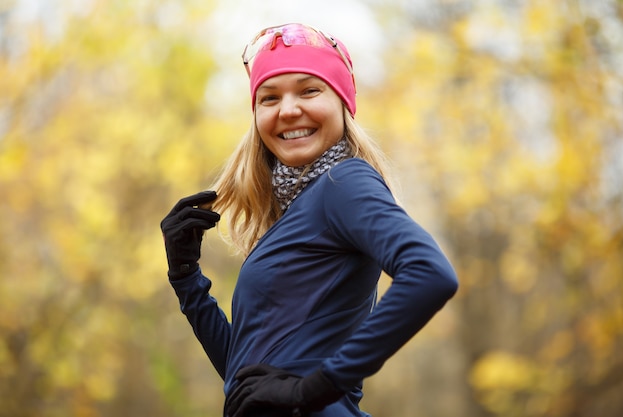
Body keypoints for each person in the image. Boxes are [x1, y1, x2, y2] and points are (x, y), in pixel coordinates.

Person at [160, 23, 458, 417]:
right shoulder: (302, 209)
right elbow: (248, 379)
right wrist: (187, 280)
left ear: (343, 103)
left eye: (309, 90)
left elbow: (431, 274)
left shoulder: (343, 183)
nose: (287, 109)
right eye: (269, 97)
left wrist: (316, 389)